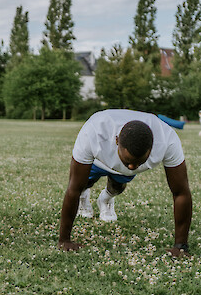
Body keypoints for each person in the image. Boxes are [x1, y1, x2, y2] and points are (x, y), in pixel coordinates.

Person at [58, 109, 192, 258]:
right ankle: (84, 199)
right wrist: (64, 240)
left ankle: (105, 199)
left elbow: (181, 192)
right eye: (129, 161)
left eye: (139, 162)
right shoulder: (94, 132)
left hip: (119, 168)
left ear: (152, 148)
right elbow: (73, 188)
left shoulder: (167, 140)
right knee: (82, 184)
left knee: (117, 186)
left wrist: (181, 246)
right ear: (116, 141)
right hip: (98, 160)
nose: (133, 167)